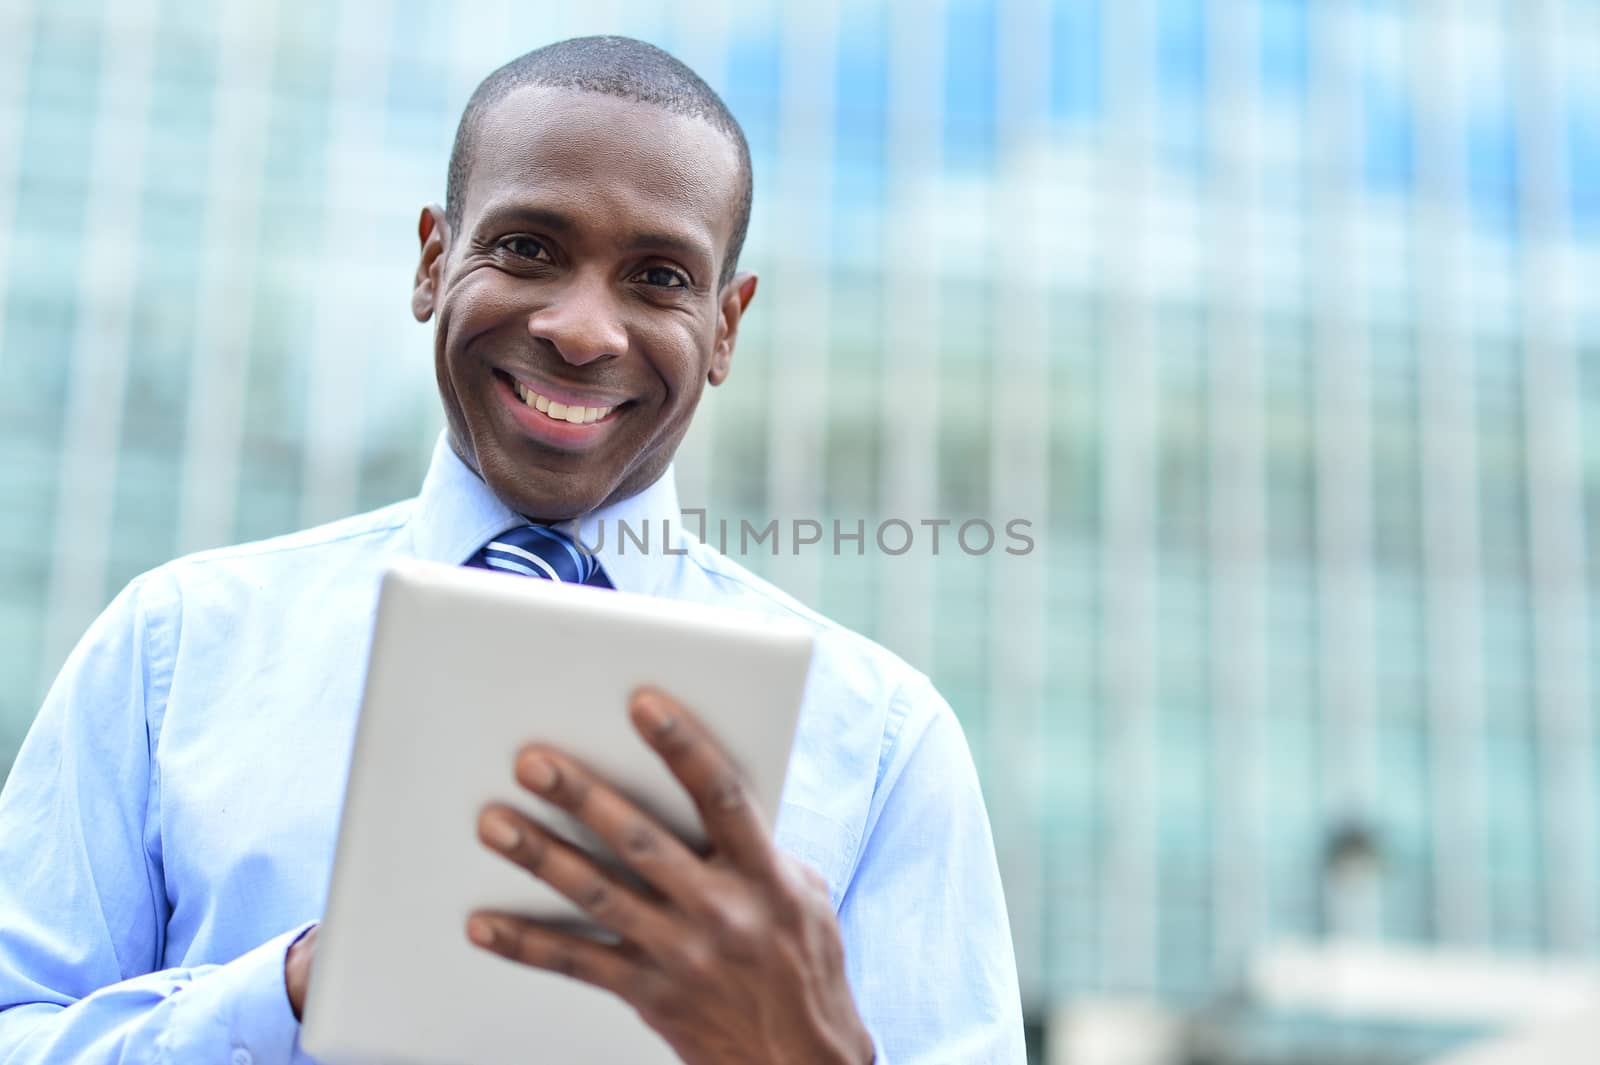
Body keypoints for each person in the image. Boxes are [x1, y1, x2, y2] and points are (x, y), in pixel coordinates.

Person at [0, 36, 1025, 1064]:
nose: (583, 330)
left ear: (725, 326)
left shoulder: (883, 742)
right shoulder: (173, 649)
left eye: (658, 277)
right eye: (529, 248)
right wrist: (292, 992)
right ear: (434, 261)